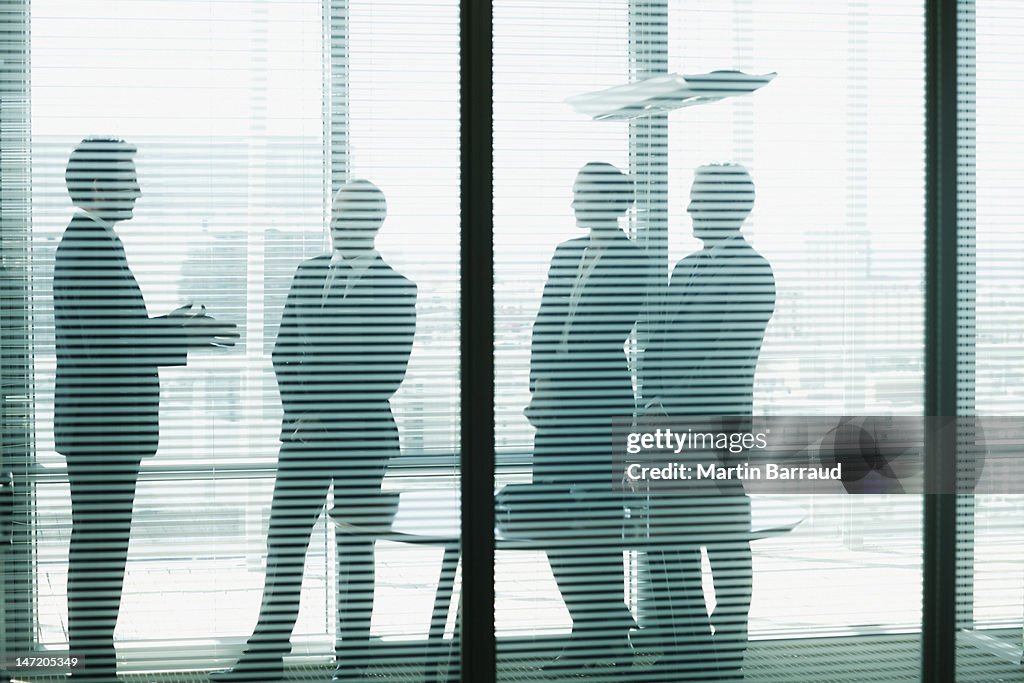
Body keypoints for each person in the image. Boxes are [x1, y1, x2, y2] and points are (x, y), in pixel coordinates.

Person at [210, 180, 416, 683]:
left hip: (360, 437)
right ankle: (265, 656)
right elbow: (284, 352)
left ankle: (354, 664)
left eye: (347, 213)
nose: (335, 221)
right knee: (284, 541)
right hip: (303, 434)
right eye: (334, 212)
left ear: (374, 220)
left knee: (354, 549)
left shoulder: (397, 288)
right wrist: (303, 414)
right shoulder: (306, 276)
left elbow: (387, 371)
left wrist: (322, 412)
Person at [54, 138, 238, 683]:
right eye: (129, 178)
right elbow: (107, 345)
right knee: (100, 555)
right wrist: (183, 333)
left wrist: (171, 326)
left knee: (99, 549)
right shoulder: (89, 244)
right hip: (104, 428)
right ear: (97, 185)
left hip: (100, 426)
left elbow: (112, 334)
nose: (138, 188)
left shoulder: (94, 241)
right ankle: (90, 672)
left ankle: (90, 669)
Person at [644, 163, 776, 680]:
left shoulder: (751, 269)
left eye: (700, 197)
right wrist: (652, 402)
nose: (690, 207)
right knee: (669, 544)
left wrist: (665, 403)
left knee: (722, 544)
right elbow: (659, 348)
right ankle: (688, 656)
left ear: (734, 205)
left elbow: (729, 355)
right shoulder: (686, 267)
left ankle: (725, 661)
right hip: (667, 425)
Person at [528, 161, 652, 676]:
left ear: (612, 201)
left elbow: (603, 333)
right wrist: (538, 387)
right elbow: (544, 322)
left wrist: (556, 385)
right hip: (555, 406)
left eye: (583, 192)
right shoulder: (564, 253)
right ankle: (601, 623)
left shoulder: (635, 260)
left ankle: (598, 634)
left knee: (596, 519)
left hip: (598, 401)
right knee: (553, 515)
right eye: (574, 190)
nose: (574, 199)